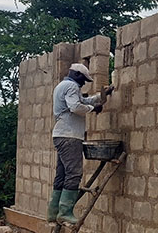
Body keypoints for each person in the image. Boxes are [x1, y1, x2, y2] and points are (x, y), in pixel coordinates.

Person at [47, 63, 113, 224]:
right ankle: (65, 213)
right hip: (70, 136)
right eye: (83, 80)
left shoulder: (63, 86)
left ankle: (53, 211)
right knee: (74, 173)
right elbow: (76, 106)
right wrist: (93, 109)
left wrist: (100, 96)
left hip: (62, 135)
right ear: (77, 75)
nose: (83, 84)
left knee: (62, 174)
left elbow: (82, 100)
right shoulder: (71, 86)